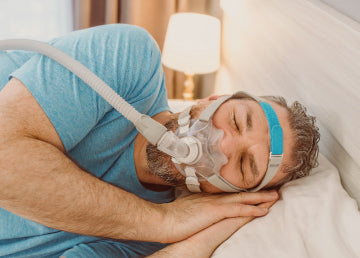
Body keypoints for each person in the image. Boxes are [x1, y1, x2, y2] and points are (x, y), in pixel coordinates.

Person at [0, 24, 320, 257]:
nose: (222, 145)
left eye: (244, 165)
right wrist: (161, 222)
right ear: (215, 98)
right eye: (237, 120)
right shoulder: (130, 61)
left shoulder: (154, 236)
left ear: (231, 193)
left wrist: (196, 241)